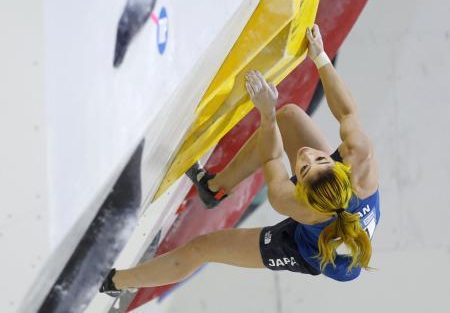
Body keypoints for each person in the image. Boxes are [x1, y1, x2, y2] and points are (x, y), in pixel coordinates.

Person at [100, 24, 380, 296]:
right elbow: (347, 113)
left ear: (300, 191)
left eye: (303, 169)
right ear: (341, 167)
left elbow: (272, 155)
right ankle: (215, 188)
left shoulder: (291, 203)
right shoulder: (359, 157)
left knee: (203, 247)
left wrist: (266, 113)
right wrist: (320, 57)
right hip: (339, 220)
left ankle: (114, 282)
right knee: (290, 116)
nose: (306, 155)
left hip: (309, 250)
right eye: (321, 158)